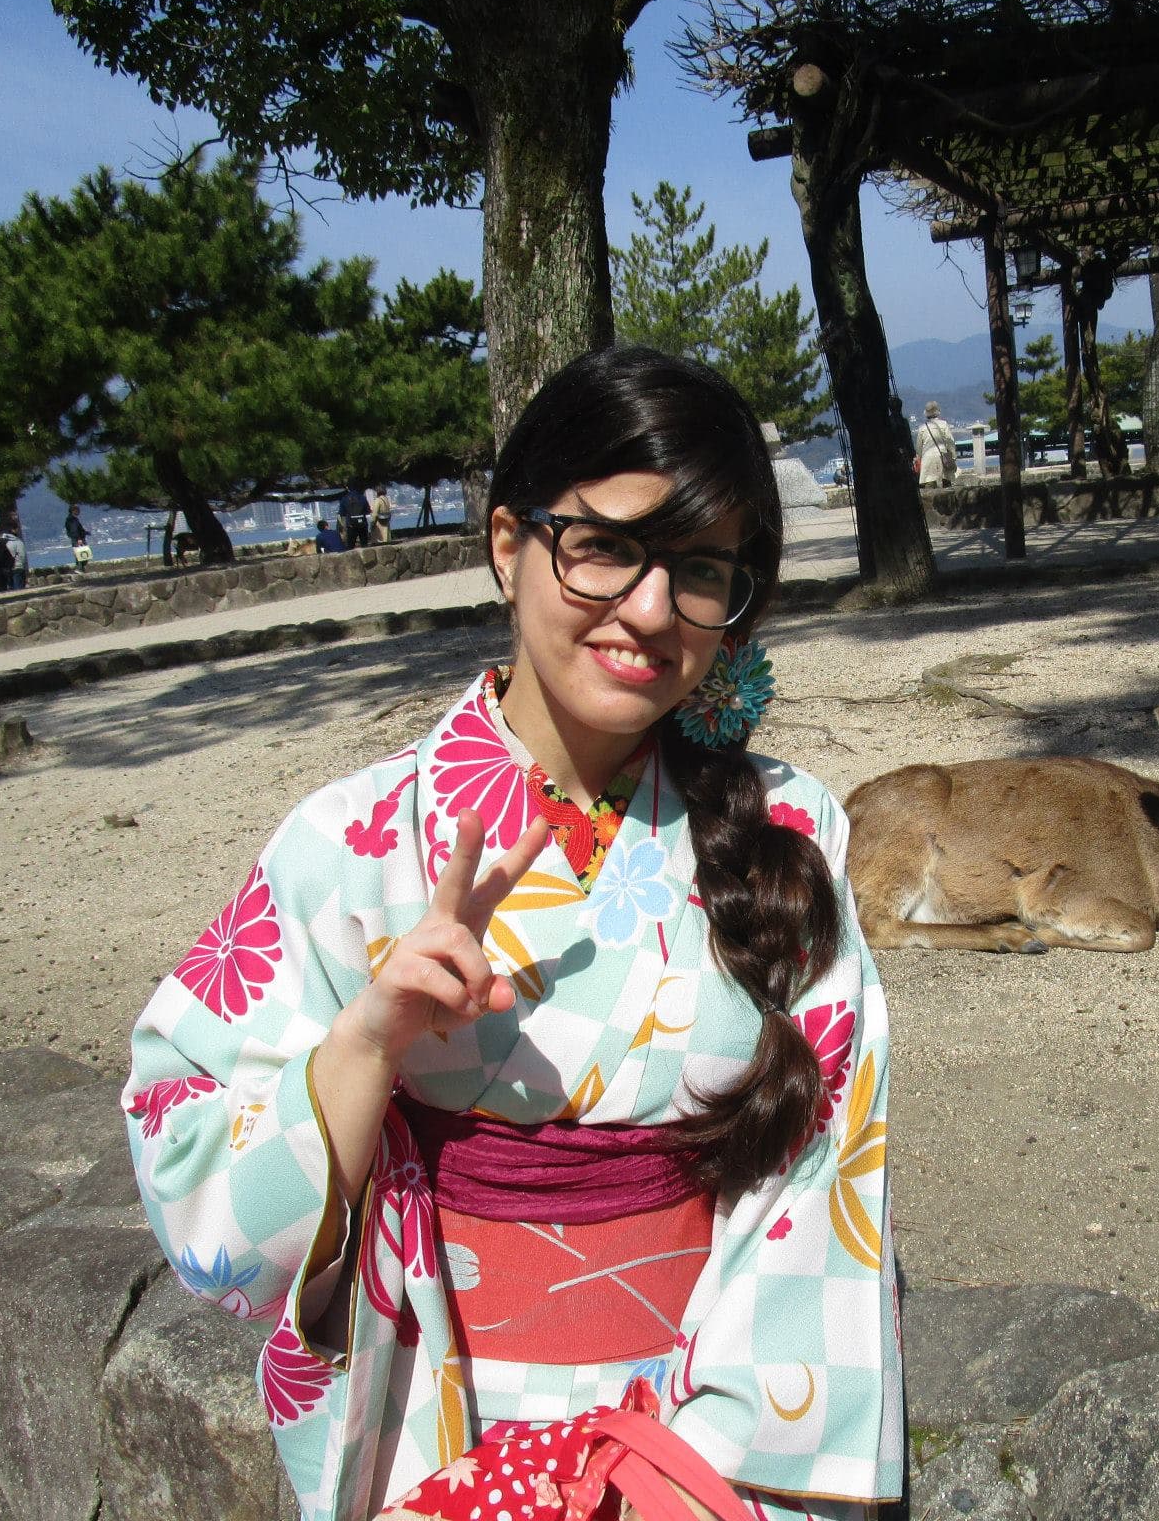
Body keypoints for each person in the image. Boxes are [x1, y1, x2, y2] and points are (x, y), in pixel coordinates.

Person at [122, 347, 899, 1521]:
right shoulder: (350, 844)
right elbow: (202, 1204)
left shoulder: (788, 831)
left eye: (699, 569)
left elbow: (818, 1170)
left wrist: (690, 1475)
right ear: (507, 544)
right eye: (603, 547)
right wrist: (365, 1046)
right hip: (438, 1420)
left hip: (694, 1451)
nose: (649, 611)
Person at [915, 400, 958, 487]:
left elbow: (919, 448)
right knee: (946, 484)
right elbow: (950, 442)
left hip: (927, 459)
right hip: (942, 457)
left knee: (929, 486)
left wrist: (918, 458)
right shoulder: (944, 424)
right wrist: (953, 456)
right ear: (938, 411)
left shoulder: (922, 428)